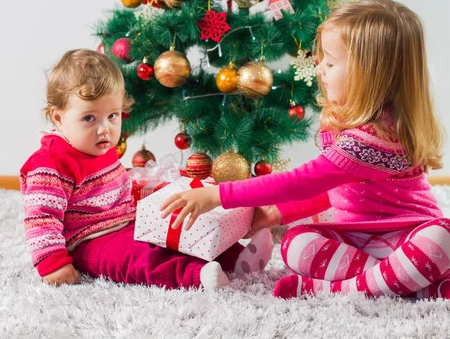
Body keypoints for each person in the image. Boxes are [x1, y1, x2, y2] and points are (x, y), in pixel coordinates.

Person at [161, 0, 450, 300]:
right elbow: (333, 189)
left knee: (446, 236)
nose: (319, 68)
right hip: (357, 243)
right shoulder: (350, 121)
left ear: (368, 75)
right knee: (295, 243)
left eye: (331, 63)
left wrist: (219, 195)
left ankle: (334, 289)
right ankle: (410, 286)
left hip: (408, 241)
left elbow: (298, 182)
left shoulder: (374, 139)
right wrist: (281, 213)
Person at [20, 49, 273, 289]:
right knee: (137, 258)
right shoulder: (51, 163)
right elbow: (42, 217)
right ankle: (194, 275)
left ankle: (236, 257)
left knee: (176, 232)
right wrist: (53, 264)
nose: (104, 128)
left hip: (127, 220)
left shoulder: (97, 144)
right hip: (87, 240)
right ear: (58, 117)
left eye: (112, 116)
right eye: (89, 118)